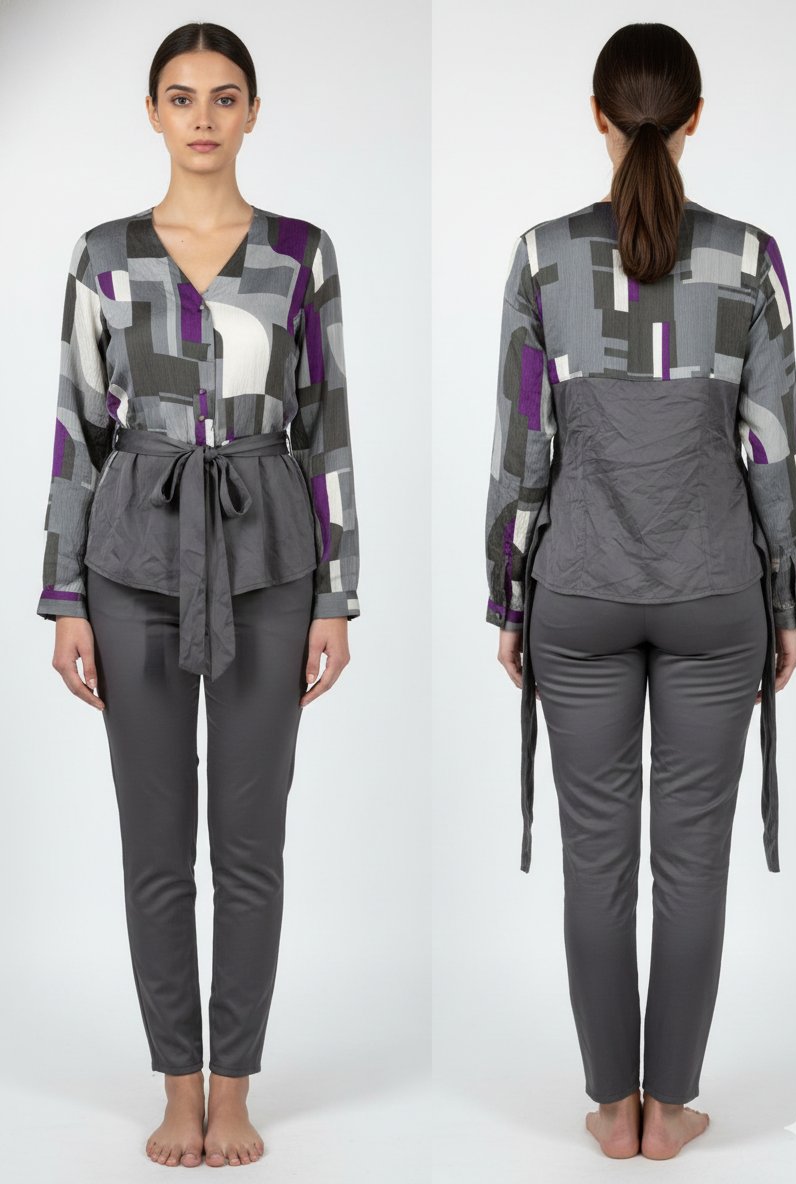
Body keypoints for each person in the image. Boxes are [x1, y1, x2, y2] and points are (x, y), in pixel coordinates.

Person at [484, 22, 796, 1163]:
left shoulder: (541, 257)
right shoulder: (750, 258)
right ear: (693, 118)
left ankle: (609, 1107)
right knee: (691, 863)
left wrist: (508, 596)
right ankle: (669, 1109)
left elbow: (522, 447)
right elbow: (772, 447)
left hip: (576, 591)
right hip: (715, 593)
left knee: (597, 861)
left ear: (597, 116)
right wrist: (789, 598)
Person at [36, 22, 360, 1169]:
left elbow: (326, 423)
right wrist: (66, 596)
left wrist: (338, 594)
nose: (204, 117)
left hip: (270, 558)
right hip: (130, 560)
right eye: (182, 97)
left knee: (250, 843)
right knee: (156, 844)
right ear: (154, 113)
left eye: (225, 97)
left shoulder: (300, 254)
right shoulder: (104, 255)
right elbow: (76, 427)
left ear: (253, 112)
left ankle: (237, 1086)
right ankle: (179, 1086)